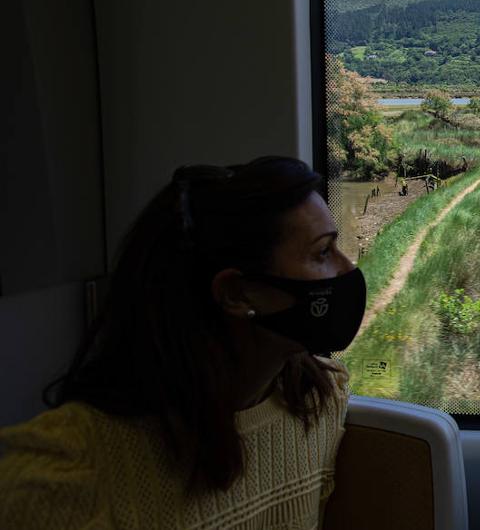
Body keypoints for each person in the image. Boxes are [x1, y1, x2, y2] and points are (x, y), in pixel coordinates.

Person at [0, 156, 366, 529]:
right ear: (236, 294)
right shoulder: (67, 470)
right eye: (322, 252)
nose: (347, 269)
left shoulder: (317, 402)